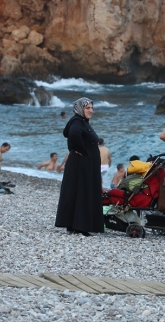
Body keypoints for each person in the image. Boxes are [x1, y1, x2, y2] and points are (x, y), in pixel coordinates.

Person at [55, 97, 104, 236]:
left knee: (77, 192)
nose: (91, 111)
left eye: (91, 108)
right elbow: (73, 133)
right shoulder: (77, 121)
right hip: (81, 164)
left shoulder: (81, 122)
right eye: (87, 108)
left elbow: (67, 132)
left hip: (81, 164)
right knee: (83, 192)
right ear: (80, 109)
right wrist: (81, 150)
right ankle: (81, 226)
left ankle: (73, 225)